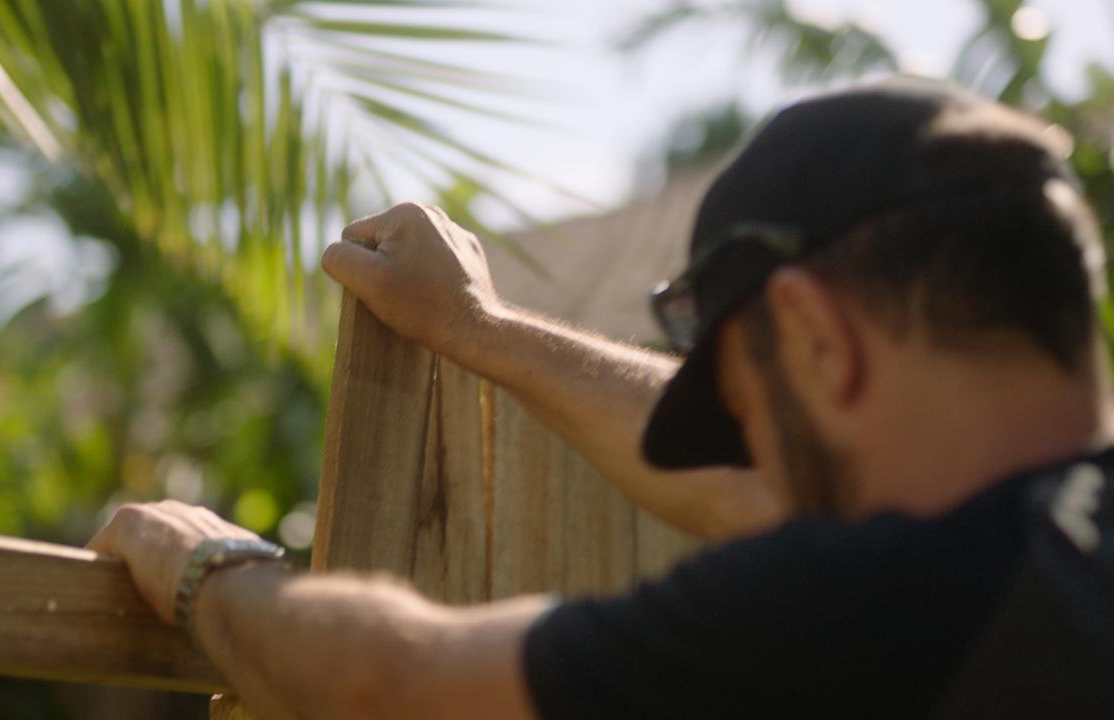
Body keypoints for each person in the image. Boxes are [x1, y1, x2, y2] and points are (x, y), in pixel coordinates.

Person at [86, 78, 1114, 718]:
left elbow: (386, 686)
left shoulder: (905, 602)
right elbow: (737, 491)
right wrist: (478, 328)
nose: (760, 473)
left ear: (814, 338)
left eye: (752, 414)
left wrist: (200, 570)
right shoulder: (1035, 570)